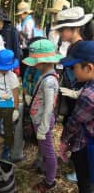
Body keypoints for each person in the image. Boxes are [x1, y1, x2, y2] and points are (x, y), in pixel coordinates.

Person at [53, 6, 93, 182]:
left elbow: (75, 121)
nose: (61, 33)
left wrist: (64, 140)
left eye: (63, 29)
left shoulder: (82, 49)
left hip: (85, 133)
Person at [22, 39, 62, 192]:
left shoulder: (49, 81)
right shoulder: (44, 74)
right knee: (44, 149)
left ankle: (49, 182)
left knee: (49, 152)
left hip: (42, 121)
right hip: (38, 119)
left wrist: (43, 128)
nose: (33, 65)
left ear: (44, 62)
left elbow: (49, 107)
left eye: (35, 62)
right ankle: (45, 170)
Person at [59, 41, 94, 193]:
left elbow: (74, 122)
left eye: (74, 68)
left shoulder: (88, 95)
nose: (72, 72)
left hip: (86, 146)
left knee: (85, 183)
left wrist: (64, 141)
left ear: (89, 67)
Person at [15, 1, 35, 78]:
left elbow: (29, 37)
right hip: (24, 49)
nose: (20, 16)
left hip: (29, 50)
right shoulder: (24, 22)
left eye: (21, 14)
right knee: (23, 71)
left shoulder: (29, 22)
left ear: (26, 13)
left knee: (25, 72)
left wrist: (20, 31)